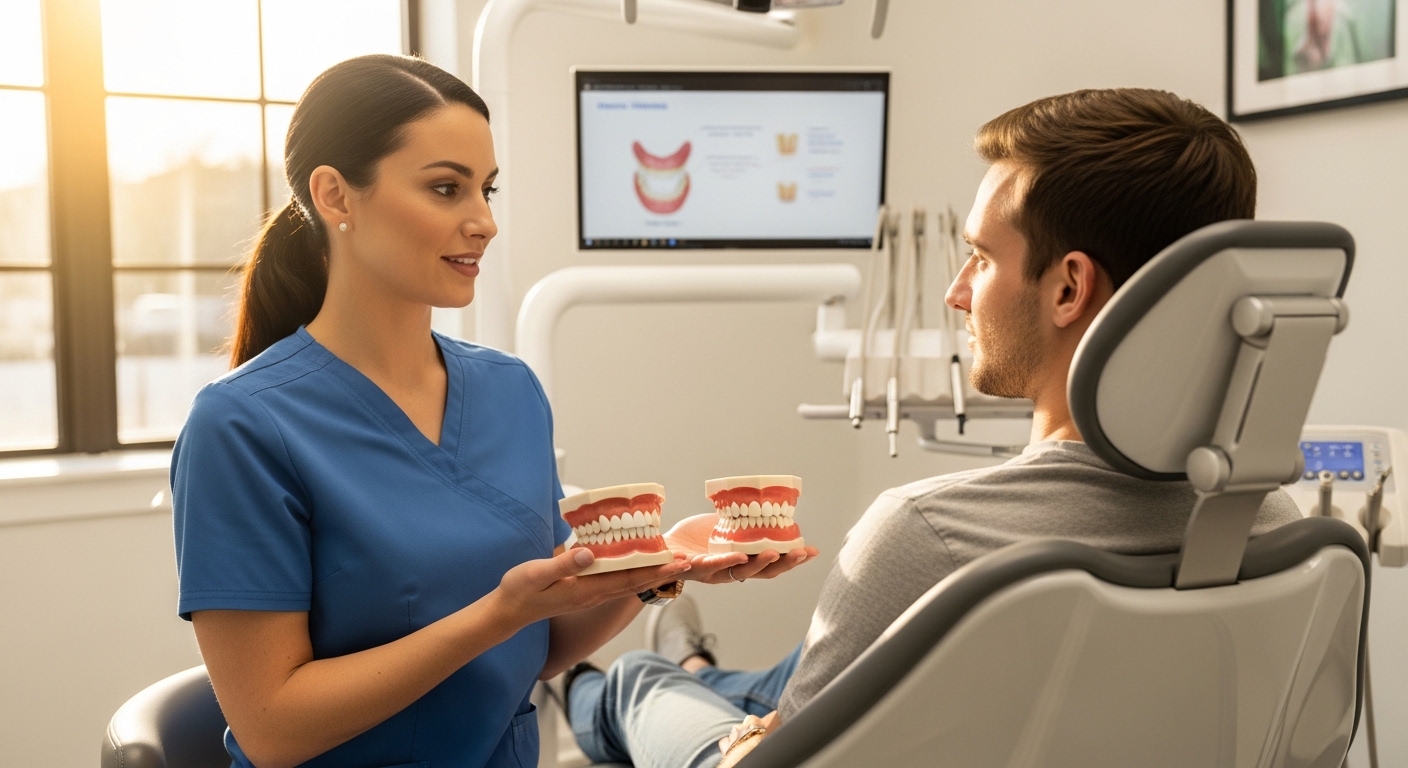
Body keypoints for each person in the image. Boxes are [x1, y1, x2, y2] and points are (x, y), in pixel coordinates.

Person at [562, 87, 1306, 768]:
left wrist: (762, 742)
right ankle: (697, 663)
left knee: (637, 681)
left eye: (980, 258)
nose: (956, 292)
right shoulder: (1271, 524)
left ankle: (608, 684)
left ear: (1069, 287)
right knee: (764, 678)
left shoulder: (932, 537)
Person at [171, 55, 816, 768]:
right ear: (335, 196)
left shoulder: (509, 391)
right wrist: (497, 614)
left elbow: (533, 650)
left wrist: (666, 567)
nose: (483, 222)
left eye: (487, 189)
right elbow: (273, 729)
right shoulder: (242, 427)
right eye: (446, 188)